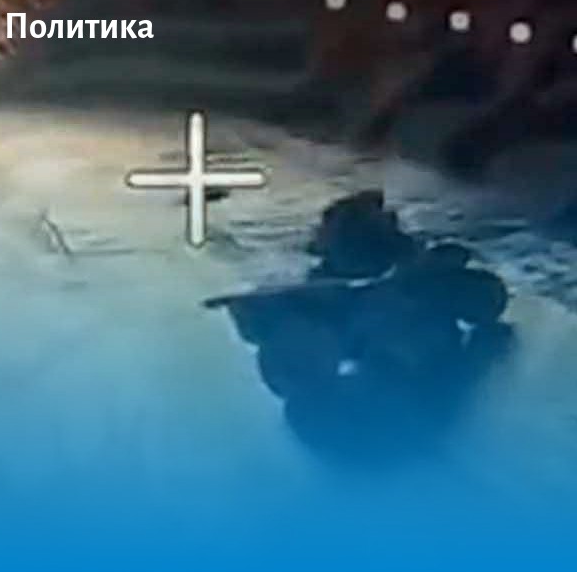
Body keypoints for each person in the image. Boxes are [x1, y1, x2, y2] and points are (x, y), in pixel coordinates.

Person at [207, 190, 511, 463]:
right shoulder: (415, 360)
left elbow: (484, 302)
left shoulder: (298, 339)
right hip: (403, 355)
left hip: (385, 344)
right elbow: (485, 303)